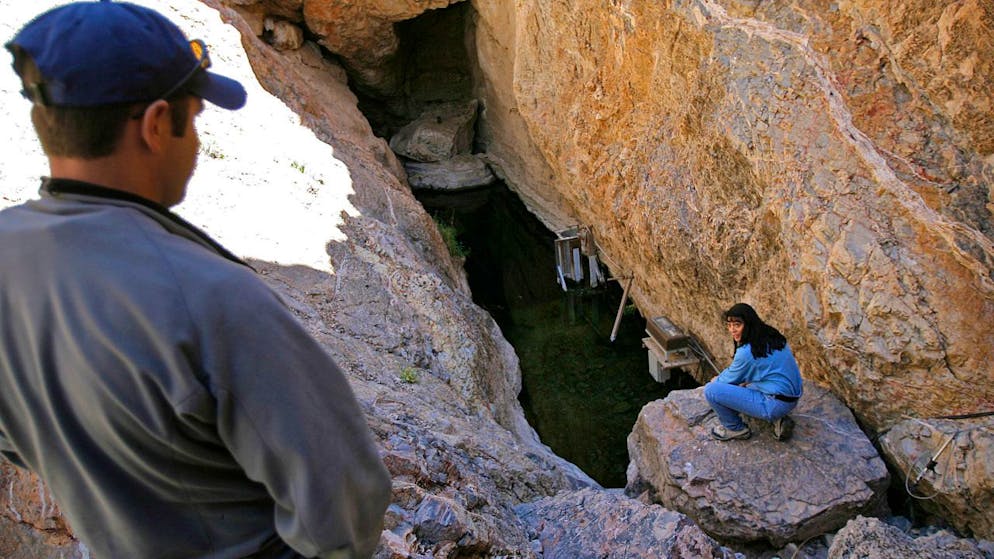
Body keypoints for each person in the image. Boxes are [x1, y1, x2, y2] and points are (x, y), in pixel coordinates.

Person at [0, 2, 391, 558]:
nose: (199, 144)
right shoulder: (211, 300)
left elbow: (15, 438)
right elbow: (344, 503)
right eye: (196, 118)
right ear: (158, 125)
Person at [704, 303, 803, 442]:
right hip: (790, 397)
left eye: (737, 325)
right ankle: (779, 419)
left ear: (748, 324)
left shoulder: (746, 352)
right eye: (729, 325)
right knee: (744, 385)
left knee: (711, 391)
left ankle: (735, 429)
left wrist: (716, 381)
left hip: (774, 403)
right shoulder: (771, 335)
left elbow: (729, 378)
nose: (732, 330)